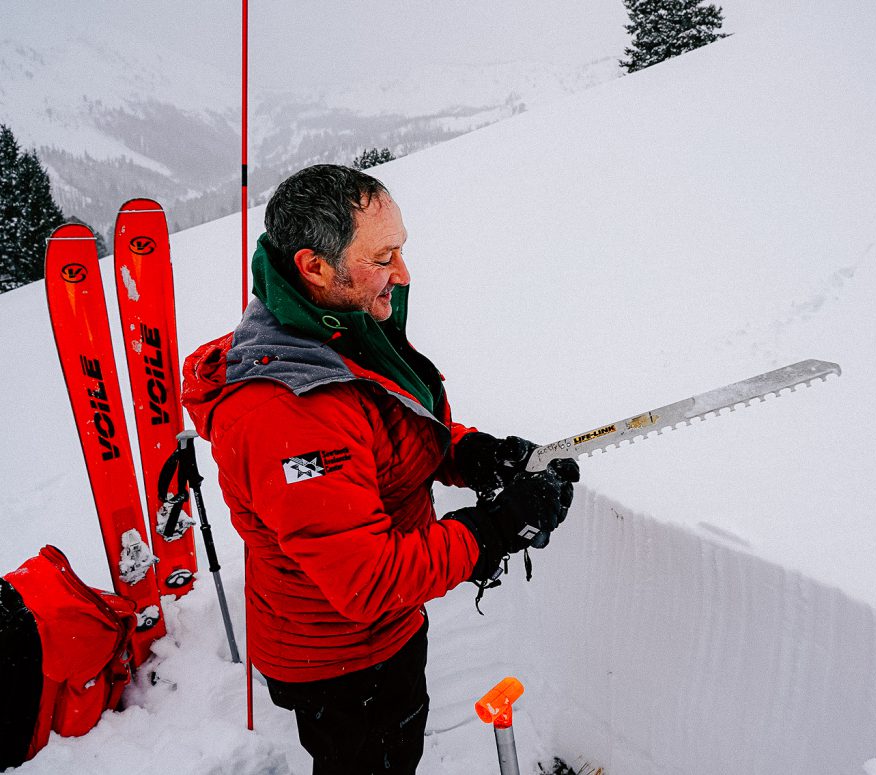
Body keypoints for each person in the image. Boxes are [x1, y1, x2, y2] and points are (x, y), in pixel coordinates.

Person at [181, 164, 579, 774]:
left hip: (383, 633)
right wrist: (495, 531)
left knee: (400, 745)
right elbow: (366, 579)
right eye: (384, 255)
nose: (404, 273)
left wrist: (467, 453)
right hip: (336, 657)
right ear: (314, 267)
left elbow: (382, 432)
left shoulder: (339, 333)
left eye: (402, 250)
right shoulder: (288, 415)